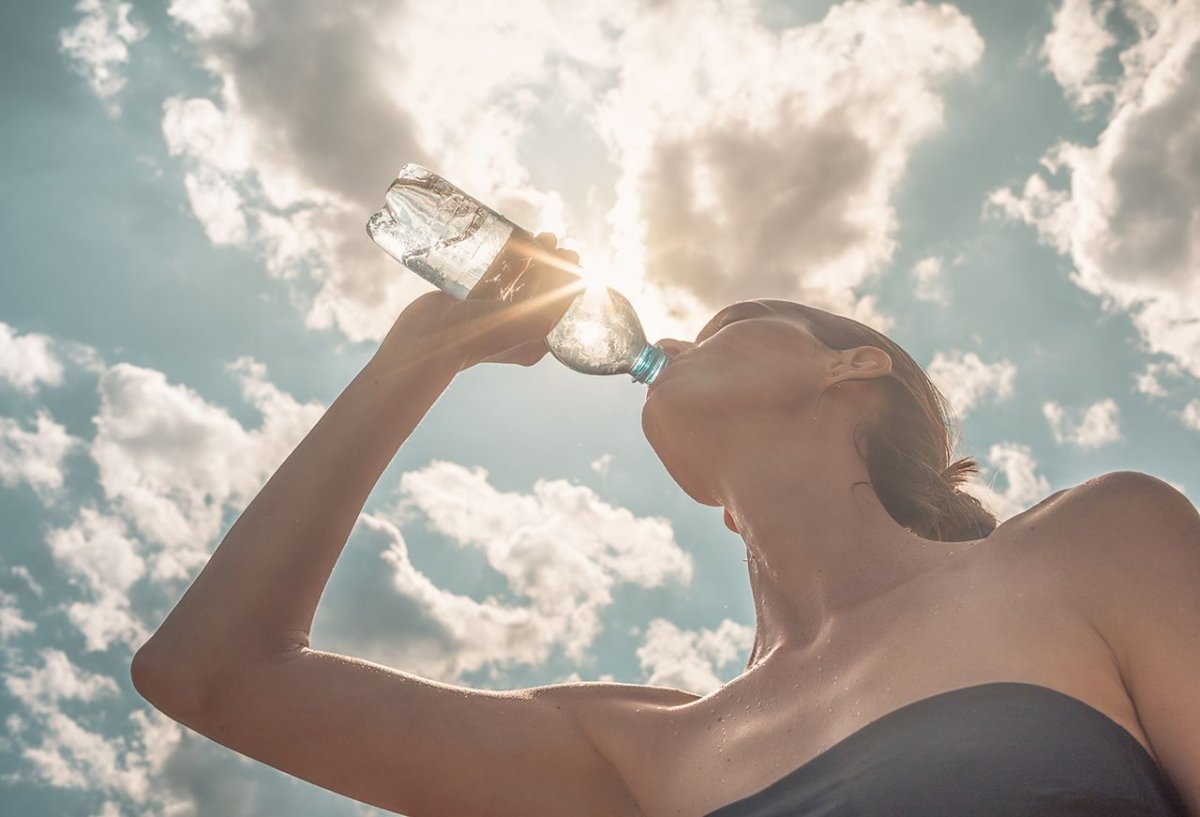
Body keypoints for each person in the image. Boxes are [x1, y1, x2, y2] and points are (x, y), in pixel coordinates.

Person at [131, 233, 1198, 817]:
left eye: (729, 324)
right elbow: (213, 672)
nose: (678, 337)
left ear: (853, 366)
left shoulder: (1093, 545)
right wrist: (415, 361)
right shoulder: (639, 751)